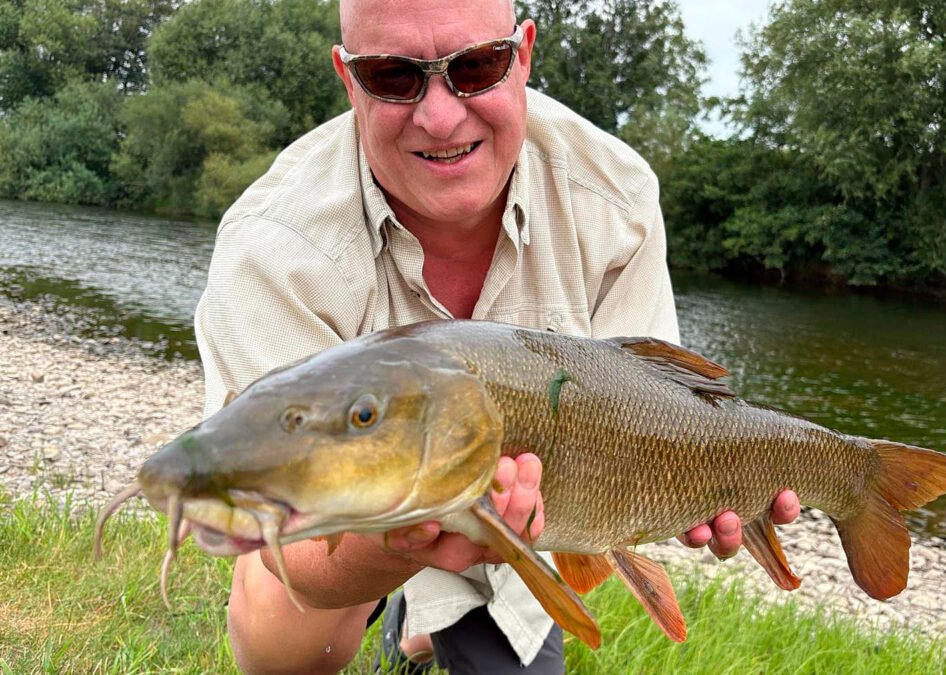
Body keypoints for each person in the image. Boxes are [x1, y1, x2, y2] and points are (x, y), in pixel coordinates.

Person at [193, 0, 800, 672]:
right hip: (352, 518)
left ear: (523, 55)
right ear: (349, 79)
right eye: (393, 76)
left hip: (542, 520)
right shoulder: (271, 246)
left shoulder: (616, 196)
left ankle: (420, 629)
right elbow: (288, 539)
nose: (440, 117)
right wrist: (405, 537)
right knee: (280, 643)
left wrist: (697, 487)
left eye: (476, 67)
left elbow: (661, 409)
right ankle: (405, 596)